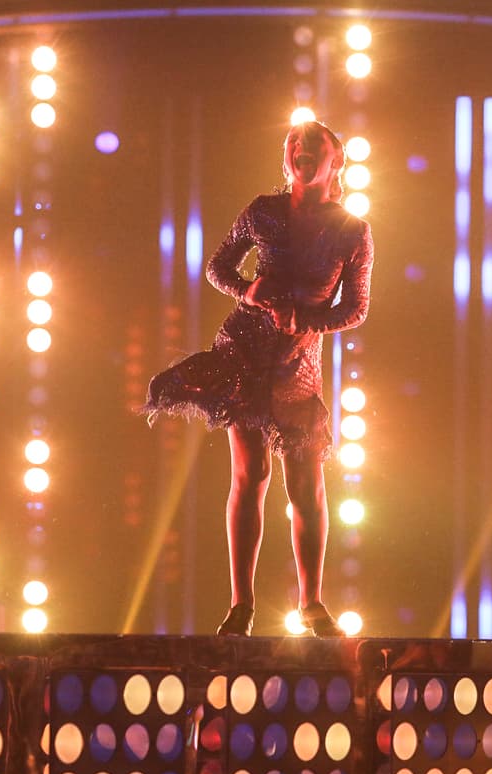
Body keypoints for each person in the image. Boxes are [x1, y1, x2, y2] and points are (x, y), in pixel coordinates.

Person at [143, 120, 373, 638]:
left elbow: (356, 309)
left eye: (314, 145)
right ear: (285, 156)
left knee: (306, 488)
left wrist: (308, 320)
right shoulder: (262, 211)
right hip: (243, 352)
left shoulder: (352, 230)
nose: (301, 150)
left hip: (298, 363)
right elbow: (217, 267)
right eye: (294, 144)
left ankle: (312, 604)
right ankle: (241, 605)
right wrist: (247, 292)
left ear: (336, 160)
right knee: (250, 477)